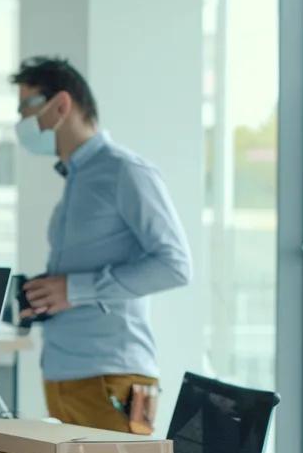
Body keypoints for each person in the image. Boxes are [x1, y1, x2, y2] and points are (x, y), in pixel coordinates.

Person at [10, 56, 191, 433]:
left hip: (112, 376)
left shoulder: (126, 171)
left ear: (61, 106)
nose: (22, 124)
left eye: (26, 109)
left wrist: (74, 289)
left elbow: (174, 265)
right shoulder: (77, 179)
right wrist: (46, 297)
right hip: (62, 372)